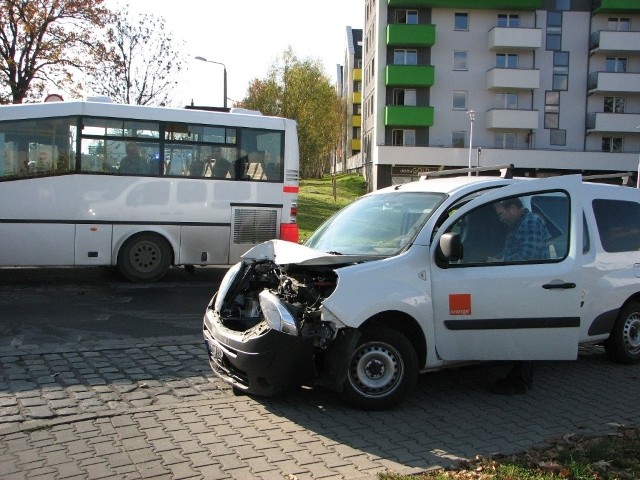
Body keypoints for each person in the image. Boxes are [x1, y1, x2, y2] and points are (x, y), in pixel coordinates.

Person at [490, 197, 551, 395]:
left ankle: (521, 382)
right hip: (522, 285)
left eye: (501, 213)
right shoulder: (520, 224)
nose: (500, 218)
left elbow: (528, 254)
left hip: (530, 287)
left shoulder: (530, 222)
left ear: (514, 207)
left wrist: (499, 261)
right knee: (520, 335)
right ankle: (518, 378)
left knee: (524, 335)